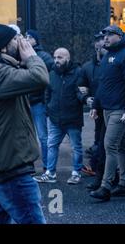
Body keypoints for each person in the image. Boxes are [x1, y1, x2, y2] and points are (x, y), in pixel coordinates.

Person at [0, 24, 49, 224]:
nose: (22, 43)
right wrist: (31, 57)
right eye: (15, 39)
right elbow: (39, 78)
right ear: (2, 47)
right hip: (10, 168)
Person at [89, 25, 125, 201]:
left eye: (110, 35)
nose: (106, 38)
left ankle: (106, 186)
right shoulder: (108, 55)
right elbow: (101, 83)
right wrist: (96, 105)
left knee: (109, 145)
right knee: (121, 146)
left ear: (119, 36)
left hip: (120, 110)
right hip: (107, 108)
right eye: (104, 36)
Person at [34, 48, 84, 185]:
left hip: (72, 118)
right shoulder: (51, 74)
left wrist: (84, 99)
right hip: (55, 118)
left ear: (68, 58)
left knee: (76, 147)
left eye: (60, 57)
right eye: (55, 57)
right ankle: (50, 173)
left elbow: (80, 93)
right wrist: (49, 108)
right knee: (52, 145)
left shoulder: (78, 73)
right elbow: (47, 93)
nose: (56, 60)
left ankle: (76, 173)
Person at [79, 32, 108, 189]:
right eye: (98, 42)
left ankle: (107, 176)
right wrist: (86, 98)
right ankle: (101, 173)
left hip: (112, 108)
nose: (100, 44)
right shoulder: (88, 67)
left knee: (110, 143)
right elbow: (81, 86)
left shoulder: (113, 62)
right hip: (99, 109)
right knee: (101, 141)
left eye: (103, 41)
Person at [25, 29, 54, 172]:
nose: (27, 39)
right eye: (26, 37)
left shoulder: (44, 56)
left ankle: (47, 166)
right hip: (25, 102)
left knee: (43, 136)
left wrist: (45, 99)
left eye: (30, 37)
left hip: (38, 102)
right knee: (27, 136)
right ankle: (28, 166)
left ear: (36, 40)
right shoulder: (21, 55)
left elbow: (49, 79)